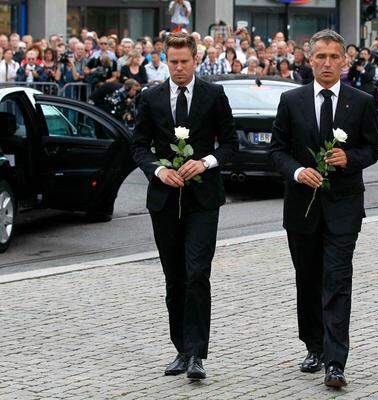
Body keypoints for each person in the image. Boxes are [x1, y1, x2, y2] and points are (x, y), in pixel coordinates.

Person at [270, 29, 378, 388]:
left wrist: (349, 158)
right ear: (310, 58)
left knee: (337, 279)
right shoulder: (292, 100)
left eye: (334, 57)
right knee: (308, 279)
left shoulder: (361, 101)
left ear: (345, 61)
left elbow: (373, 149)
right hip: (302, 208)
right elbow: (277, 151)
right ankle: (314, 345)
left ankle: (336, 361)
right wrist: (299, 171)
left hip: (344, 208)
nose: (328, 63)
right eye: (321, 56)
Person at [132, 32, 237, 380]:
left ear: (196, 60)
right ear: (166, 60)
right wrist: (159, 170)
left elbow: (230, 145)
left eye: (184, 62)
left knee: (196, 273)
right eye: (173, 62)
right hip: (164, 200)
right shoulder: (151, 97)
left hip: (204, 199)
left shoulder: (214, 95)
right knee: (175, 277)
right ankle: (181, 348)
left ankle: (196, 354)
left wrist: (205, 162)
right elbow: (139, 147)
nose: (178, 68)